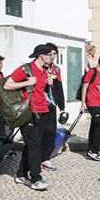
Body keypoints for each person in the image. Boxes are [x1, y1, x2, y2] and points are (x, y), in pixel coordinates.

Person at [5, 44, 54, 191]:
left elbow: (40, 90)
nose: (52, 57)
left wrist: (48, 84)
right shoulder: (25, 69)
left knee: (34, 144)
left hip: (43, 111)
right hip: (29, 112)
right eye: (49, 55)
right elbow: (7, 85)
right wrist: (27, 82)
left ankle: (20, 174)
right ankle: (36, 178)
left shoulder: (44, 70)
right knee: (34, 146)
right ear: (41, 56)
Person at [41, 43, 65, 171]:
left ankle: (45, 158)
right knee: (41, 132)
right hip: (39, 104)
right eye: (49, 54)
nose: (52, 57)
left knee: (51, 131)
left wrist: (62, 105)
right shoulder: (39, 68)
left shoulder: (56, 70)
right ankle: (36, 158)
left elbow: (59, 87)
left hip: (51, 104)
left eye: (54, 54)